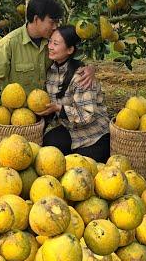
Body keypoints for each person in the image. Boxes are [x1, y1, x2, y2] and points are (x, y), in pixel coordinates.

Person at [0, 0, 95, 138]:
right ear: (36, 19)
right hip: (19, 117)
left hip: (46, 112)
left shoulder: (53, 41)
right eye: (52, 22)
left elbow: (72, 49)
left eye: (57, 22)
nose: (55, 26)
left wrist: (89, 68)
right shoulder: (8, 45)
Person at [37, 25, 110, 163]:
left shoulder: (81, 75)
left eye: (56, 44)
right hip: (72, 130)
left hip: (94, 135)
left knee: (79, 166)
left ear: (70, 50)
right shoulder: (51, 71)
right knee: (48, 145)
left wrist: (59, 108)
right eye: (50, 42)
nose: (50, 47)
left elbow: (86, 115)